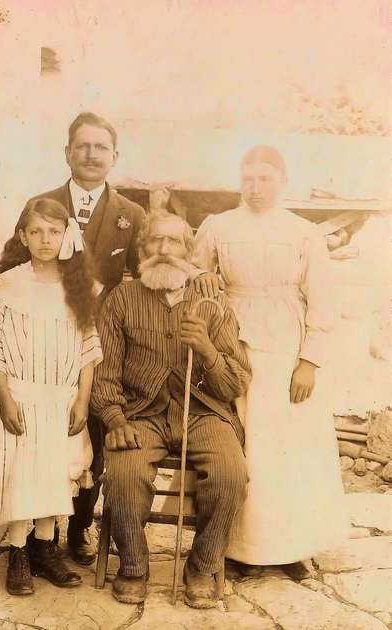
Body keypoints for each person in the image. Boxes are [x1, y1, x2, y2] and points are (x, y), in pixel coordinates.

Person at [192, 145, 349, 579]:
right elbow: (195, 278)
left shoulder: (303, 233)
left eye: (265, 179)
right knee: (246, 446)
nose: (256, 188)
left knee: (289, 448)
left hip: (286, 348)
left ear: (282, 181)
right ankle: (242, 548)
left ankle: (292, 548)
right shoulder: (218, 226)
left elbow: (323, 299)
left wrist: (310, 361)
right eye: (248, 179)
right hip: (233, 346)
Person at [91, 211, 251, 608]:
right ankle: (133, 565)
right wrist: (114, 418)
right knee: (124, 474)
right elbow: (104, 372)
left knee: (231, 474)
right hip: (140, 413)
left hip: (204, 411)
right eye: (154, 242)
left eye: (173, 242)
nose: (164, 250)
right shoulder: (122, 299)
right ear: (141, 249)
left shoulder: (212, 302)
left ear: (189, 249)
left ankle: (202, 564)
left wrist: (208, 351)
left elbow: (237, 381)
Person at [0, 198, 102, 595]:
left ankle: (46, 547)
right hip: (22, 400)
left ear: (66, 237)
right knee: (22, 476)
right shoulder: (9, 286)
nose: (45, 239)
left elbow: (88, 351)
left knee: (54, 474)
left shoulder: (79, 289)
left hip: (61, 400)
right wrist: (6, 400)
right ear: (23, 236)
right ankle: (19, 552)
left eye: (54, 232)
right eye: (37, 231)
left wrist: (81, 399)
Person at [29, 112, 146, 565]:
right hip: (47, 339)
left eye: (101, 147)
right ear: (67, 152)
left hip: (104, 346)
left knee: (92, 437)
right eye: (83, 146)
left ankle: (77, 528)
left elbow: (142, 279)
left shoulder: (131, 215)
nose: (92, 154)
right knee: (43, 433)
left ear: (114, 157)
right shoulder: (41, 205)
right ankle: (39, 534)